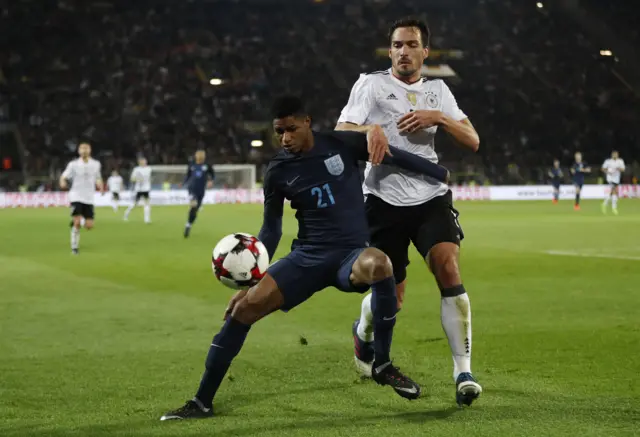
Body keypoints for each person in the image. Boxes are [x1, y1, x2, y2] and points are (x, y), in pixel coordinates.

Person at [159, 95, 451, 421]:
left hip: (350, 255)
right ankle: (201, 402)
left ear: (307, 122)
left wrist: (438, 172)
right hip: (307, 258)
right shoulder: (278, 171)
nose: (285, 139)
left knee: (380, 263)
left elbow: (393, 155)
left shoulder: (342, 143)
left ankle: (381, 363)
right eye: (279, 132)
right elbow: (270, 232)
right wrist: (251, 283)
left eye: (291, 129)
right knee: (242, 310)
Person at [335, 17, 482, 406]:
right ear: (391, 50)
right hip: (383, 200)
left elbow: (473, 140)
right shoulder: (372, 84)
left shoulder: (438, 91)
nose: (403, 51)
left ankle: (463, 371)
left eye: (411, 45)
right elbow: (341, 129)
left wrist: (440, 118)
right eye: (397, 45)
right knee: (393, 297)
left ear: (425, 51)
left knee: (448, 267)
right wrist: (368, 131)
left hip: (431, 197)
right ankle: (363, 331)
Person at [59, 142, 103, 255]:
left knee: (89, 226)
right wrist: (63, 182)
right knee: (77, 223)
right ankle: (74, 247)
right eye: (82, 148)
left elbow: (98, 177)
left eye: (86, 148)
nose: (84, 150)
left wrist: (100, 185)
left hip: (89, 197)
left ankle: (76, 220)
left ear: (90, 150)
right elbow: (64, 176)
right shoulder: (73, 164)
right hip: (76, 195)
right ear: (78, 151)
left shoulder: (96, 164)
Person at [182, 149, 215, 238]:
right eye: (199, 155)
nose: (200, 157)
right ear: (196, 156)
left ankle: (188, 224)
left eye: (202, 155)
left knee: (195, 210)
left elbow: (212, 174)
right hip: (192, 189)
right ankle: (188, 226)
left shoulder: (207, 166)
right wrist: (184, 182)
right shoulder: (192, 165)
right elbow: (188, 175)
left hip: (201, 190)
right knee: (194, 205)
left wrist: (211, 181)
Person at [124, 157, 152, 223]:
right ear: (140, 162)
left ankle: (147, 219)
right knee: (134, 204)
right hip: (139, 189)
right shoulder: (136, 169)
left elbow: (148, 178)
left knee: (147, 203)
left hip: (146, 189)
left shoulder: (149, 169)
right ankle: (126, 214)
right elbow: (132, 179)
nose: (145, 162)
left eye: (145, 161)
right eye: (143, 161)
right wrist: (138, 179)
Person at [601, 150, 625, 215]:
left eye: (616, 154)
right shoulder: (608, 161)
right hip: (610, 178)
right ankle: (614, 208)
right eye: (613, 154)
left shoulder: (620, 161)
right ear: (612, 155)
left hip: (616, 179)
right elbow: (603, 168)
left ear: (618, 155)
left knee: (613, 193)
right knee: (614, 191)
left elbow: (623, 169)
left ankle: (604, 204)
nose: (614, 155)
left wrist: (618, 169)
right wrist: (608, 171)